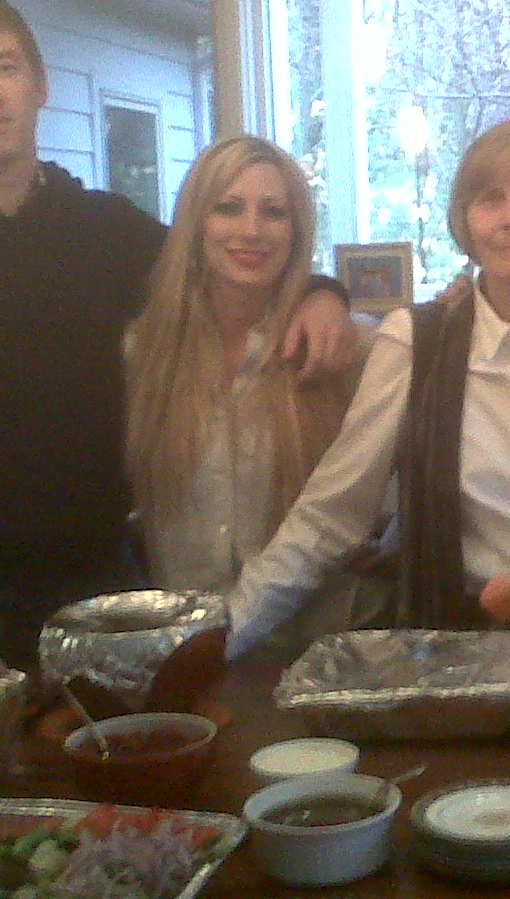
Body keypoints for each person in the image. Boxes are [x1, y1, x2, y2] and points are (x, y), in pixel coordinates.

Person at [0, 0, 356, 665]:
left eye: (4, 67)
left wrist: (321, 294)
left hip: (105, 595)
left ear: (40, 86)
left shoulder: (107, 231)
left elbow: (227, 265)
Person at [227, 118, 510, 657]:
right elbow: (332, 513)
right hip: (459, 649)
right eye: (491, 199)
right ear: (465, 219)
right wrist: (224, 635)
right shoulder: (415, 343)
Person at [124, 135, 388, 652]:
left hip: (327, 651)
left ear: (296, 230)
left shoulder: (349, 348)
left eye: (273, 212)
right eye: (228, 208)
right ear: (196, 223)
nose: (251, 230)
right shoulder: (143, 353)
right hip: (187, 657)